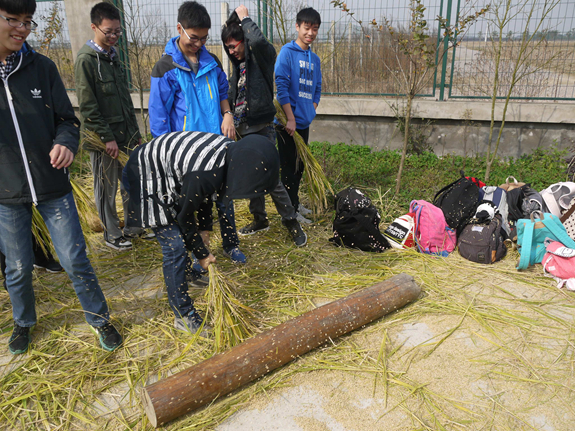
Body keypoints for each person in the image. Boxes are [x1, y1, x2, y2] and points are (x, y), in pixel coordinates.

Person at [0, 0, 122, 354]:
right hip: (7, 191)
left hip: (52, 184)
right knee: (19, 267)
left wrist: (65, 144)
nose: (21, 29)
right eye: (13, 20)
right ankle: (24, 322)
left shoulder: (41, 68)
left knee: (73, 258)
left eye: (28, 22)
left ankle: (99, 319)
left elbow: (68, 120)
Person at [123, 131, 280, 335]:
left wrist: (204, 229)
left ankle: (187, 275)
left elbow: (204, 195)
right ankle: (183, 315)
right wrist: (202, 254)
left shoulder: (229, 154)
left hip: (170, 174)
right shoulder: (207, 168)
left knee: (184, 240)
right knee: (175, 247)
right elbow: (184, 216)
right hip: (144, 175)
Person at [148, 1, 246, 265]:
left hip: (215, 145)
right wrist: (165, 159)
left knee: (225, 200)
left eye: (204, 38)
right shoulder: (166, 68)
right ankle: (197, 257)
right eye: (194, 37)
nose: (199, 43)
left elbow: (223, 93)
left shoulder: (212, 62)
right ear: (179, 28)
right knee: (192, 207)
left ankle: (231, 244)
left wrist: (227, 114)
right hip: (186, 154)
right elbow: (159, 119)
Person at [221, 5, 307, 247]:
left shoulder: (262, 58)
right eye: (227, 47)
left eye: (234, 45)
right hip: (243, 129)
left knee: (272, 179)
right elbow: (230, 93)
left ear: (244, 40)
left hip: (263, 127)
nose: (231, 50)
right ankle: (260, 220)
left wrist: (245, 18)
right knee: (251, 177)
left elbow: (259, 43)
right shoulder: (237, 68)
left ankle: (291, 221)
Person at [74, 2, 149, 251]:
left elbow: (125, 100)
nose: (114, 36)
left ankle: (134, 226)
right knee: (106, 186)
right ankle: (111, 233)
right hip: (103, 138)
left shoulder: (113, 56)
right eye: (109, 32)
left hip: (125, 134)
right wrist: (106, 138)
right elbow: (87, 106)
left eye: (118, 31)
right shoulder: (86, 60)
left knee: (131, 180)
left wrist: (135, 134)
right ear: (94, 27)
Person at [275, 7, 322, 221]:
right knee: (289, 170)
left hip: (303, 122)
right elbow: (281, 87)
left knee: (300, 167)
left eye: (314, 29)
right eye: (306, 28)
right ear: (297, 27)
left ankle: (295, 203)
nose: (310, 33)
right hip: (287, 124)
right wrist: (291, 118)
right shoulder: (287, 53)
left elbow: (318, 87)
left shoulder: (315, 59)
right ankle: (290, 211)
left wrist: (311, 108)